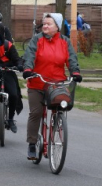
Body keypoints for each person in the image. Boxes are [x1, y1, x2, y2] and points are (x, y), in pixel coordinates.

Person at [22, 13, 81, 159]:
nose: (45, 26)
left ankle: (55, 134)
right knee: (36, 112)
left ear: (57, 27)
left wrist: (75, 72)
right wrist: (28, 69)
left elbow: (71, 58)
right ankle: (32, 144)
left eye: (49, 24)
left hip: (57, 83)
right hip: (37, 82)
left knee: (59, 107)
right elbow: (30, 55)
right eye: (44, 23)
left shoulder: (64, 41)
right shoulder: (37, 40)